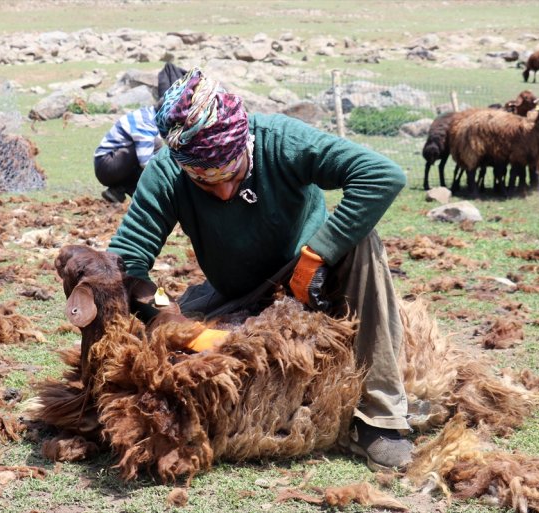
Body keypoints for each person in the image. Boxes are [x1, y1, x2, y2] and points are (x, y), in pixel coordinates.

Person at [106, 67, 413, 471]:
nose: (224, 191)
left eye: (230, 174)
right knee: (168, 367)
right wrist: (176, 323)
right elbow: (127, 260)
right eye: (205, 182)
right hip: (237, 292)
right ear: (184, 166)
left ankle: (381, 416)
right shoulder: (166, 172)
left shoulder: (281, 140)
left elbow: (382, 175)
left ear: (243, 141)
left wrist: (318, 254)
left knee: (364, 242)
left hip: (313, 277)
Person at [94, 64, 188, 203]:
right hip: (106, 165)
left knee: (157, 149)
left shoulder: (149, 116)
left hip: (114, 163)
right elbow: (145, 162)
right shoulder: (146, 123)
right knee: (151, 154)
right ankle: (140, 193)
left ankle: (118, 191)